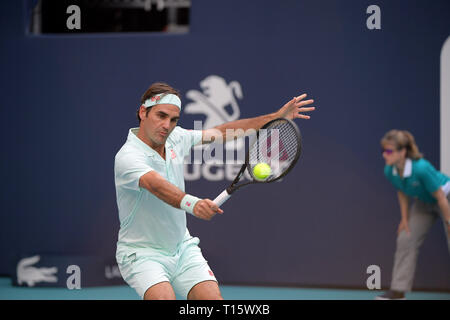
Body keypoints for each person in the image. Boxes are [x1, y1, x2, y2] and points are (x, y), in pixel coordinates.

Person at [114, 82, 315, 300]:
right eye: (160, 116)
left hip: (181, 248)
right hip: (142, 253)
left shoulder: (176, 138)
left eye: (173, 120)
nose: (166, 125)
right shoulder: (128, 156)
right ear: (143, 112)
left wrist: (275, 117)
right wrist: (193, 203)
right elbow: (156, 185)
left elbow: (222, 132)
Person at [376, 129, 450, 300]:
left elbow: (440, 196)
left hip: (445, 198)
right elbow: (402, 191)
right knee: (405, 237)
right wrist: (404, 219)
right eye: (383, 151)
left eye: (389, 151)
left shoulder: (422, 168)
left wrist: (448, 222)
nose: (384, 155)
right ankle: (398, 290)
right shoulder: (389, 170)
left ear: (402, 152)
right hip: (424, 203)